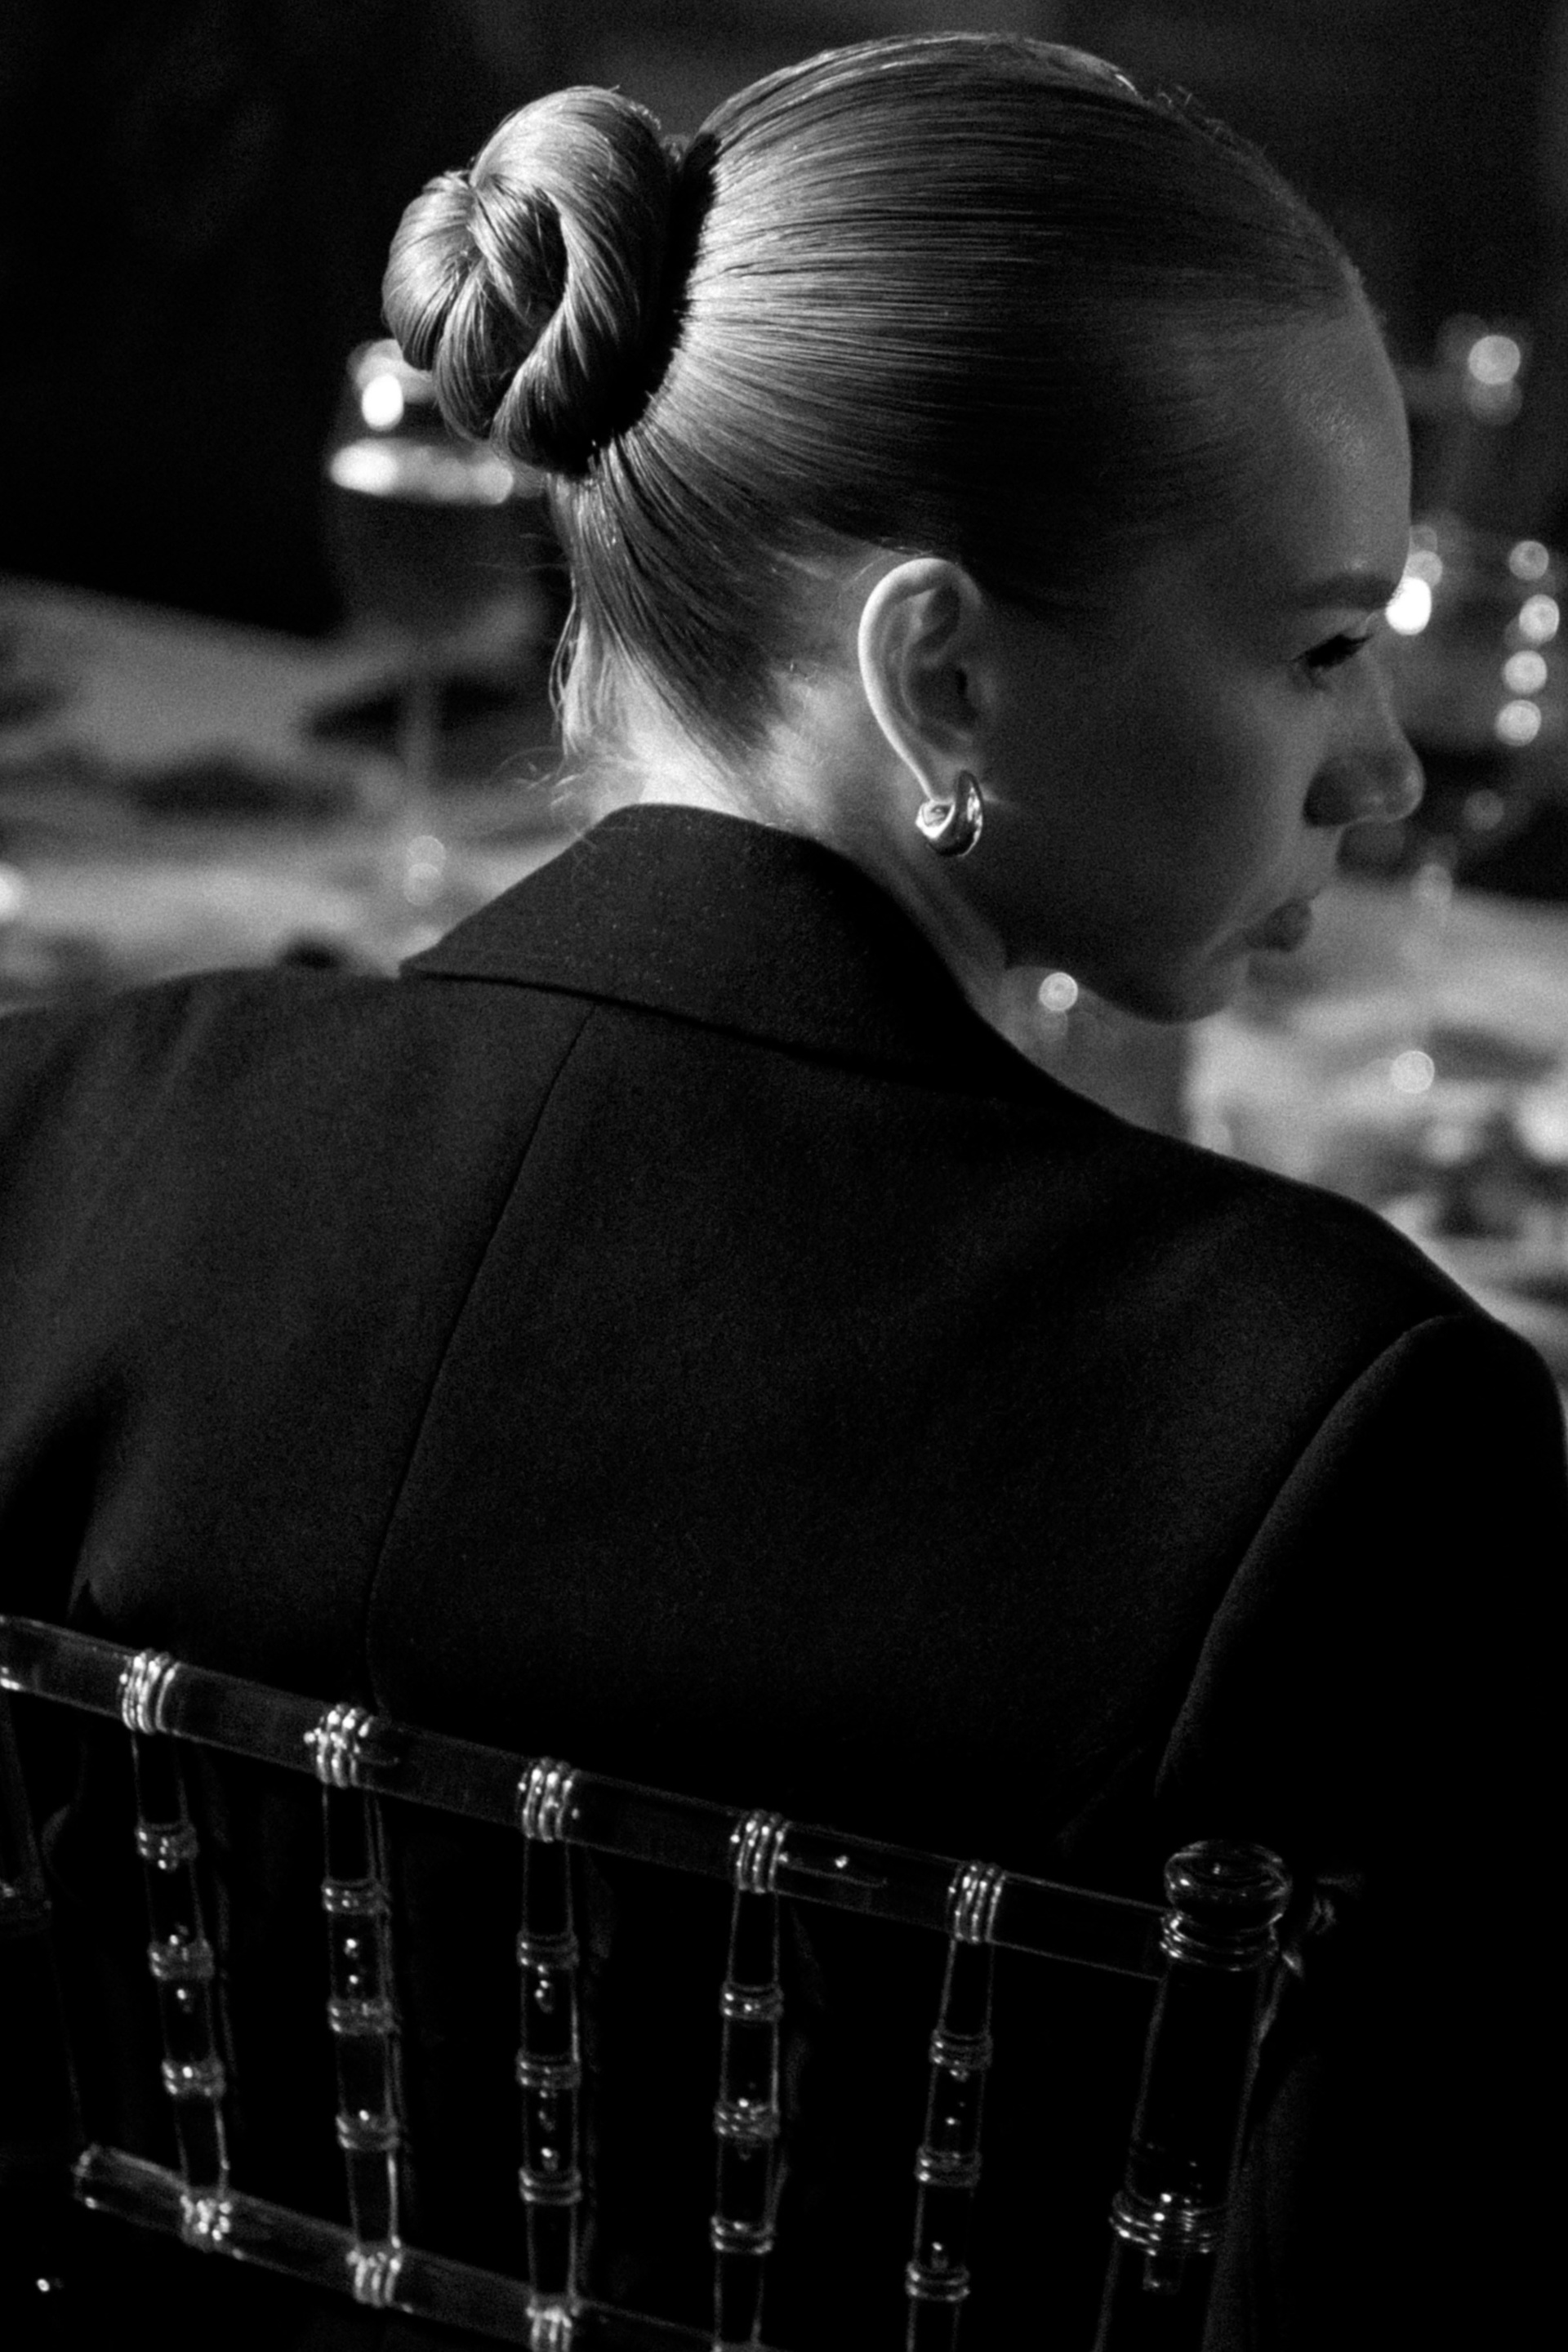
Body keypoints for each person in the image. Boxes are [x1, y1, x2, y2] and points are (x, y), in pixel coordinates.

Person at [0, 32, 1561, 2350]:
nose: (1382, 768)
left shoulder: (53, 1147)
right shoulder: (1340, 1429)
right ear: (942, 673)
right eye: (1323, 647)